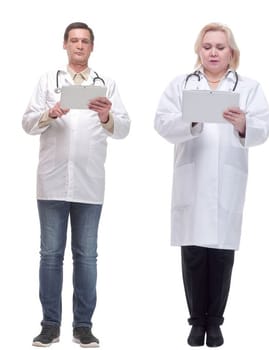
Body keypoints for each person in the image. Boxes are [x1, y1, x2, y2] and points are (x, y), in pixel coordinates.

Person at [154, 22, 269, 348]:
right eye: (207, 46)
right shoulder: (182, 85)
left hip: (227, 178)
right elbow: (162, 123)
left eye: (220, 47)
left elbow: (264, 125)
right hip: (192, 177)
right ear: (199, 50)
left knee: (221, 255)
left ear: (231, 52)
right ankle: (196, 322)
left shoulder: (248, 87)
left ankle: (215, 322)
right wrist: (190, 120)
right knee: (193, 253)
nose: (214, 52)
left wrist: (244, 123)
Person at [22, 21, 131, 348]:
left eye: (85, 41)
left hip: (89, 183)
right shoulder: (48, 81)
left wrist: (105, 116)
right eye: (74, 40)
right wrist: (49, 113)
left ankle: (83, 326)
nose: (79, 46)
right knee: (50, 255)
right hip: (52, 183)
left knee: (86, 257)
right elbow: (26, 123)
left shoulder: (106, 84)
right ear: (65, 45)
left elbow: (123, 128)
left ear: (92, 47)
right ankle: (50, 325)